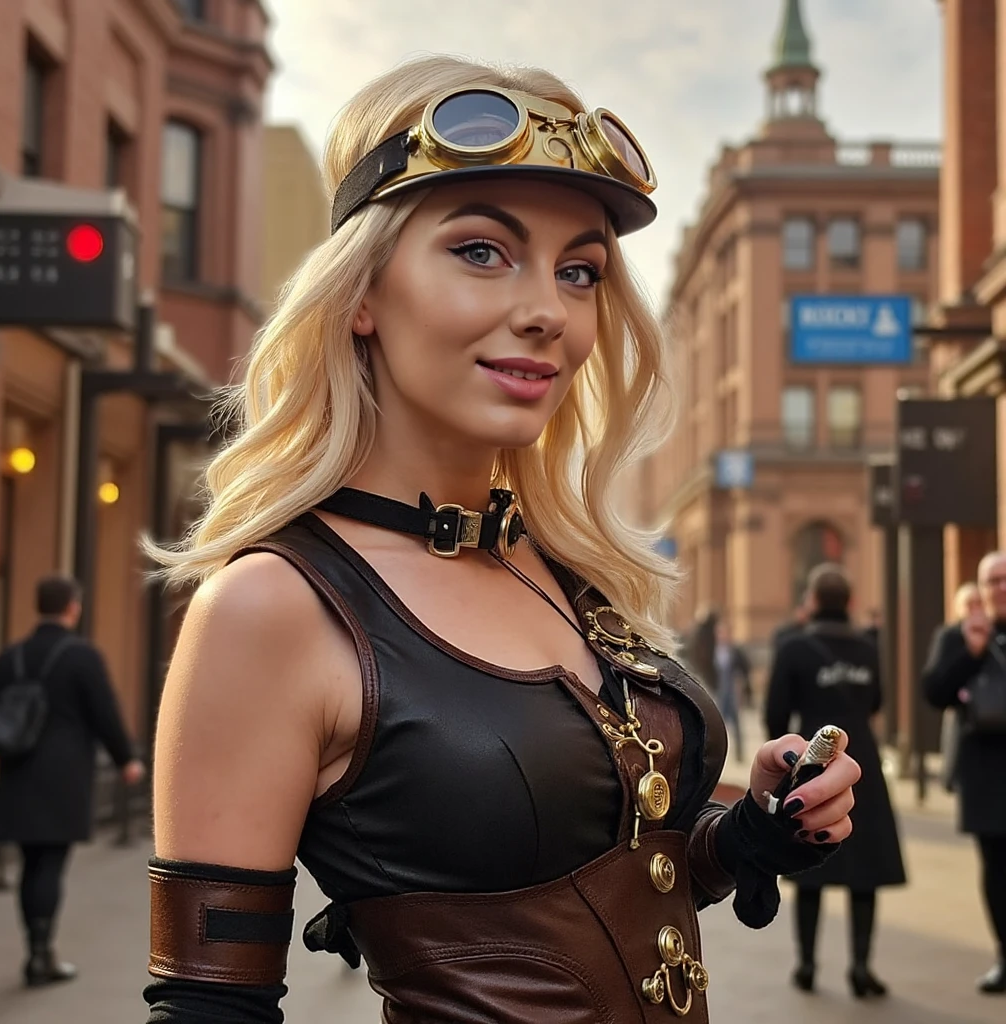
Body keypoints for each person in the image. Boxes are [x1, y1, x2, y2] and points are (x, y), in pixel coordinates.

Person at [141, 55, 862, 1024]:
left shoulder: (560, 567)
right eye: (482, 250)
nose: (549, 313)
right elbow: (204, 1008)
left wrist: (745, 838)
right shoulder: (272, 606)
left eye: (579, 271)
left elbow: (594, 877)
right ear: (362, 291)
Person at [0, 575, 144, 986]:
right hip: (62, 778)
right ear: (72, 607)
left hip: (19, 773)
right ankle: (41, 954)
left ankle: (34, 948)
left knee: (29, 864)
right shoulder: (81, 657)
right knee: (50, 865)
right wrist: (126, 759)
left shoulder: (11, 656)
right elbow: (104, 713)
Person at [765, 563, 905, 999]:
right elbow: (877, 699)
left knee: (812, 863)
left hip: (813, 764)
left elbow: (775, 716)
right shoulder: (868, 648)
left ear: (811, 601)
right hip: (862, 763)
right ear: (850, 602)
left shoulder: (793, 649)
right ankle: (862, 968)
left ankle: (806, 964)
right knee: (865, 869)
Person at [923, 552, 1006, 994]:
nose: (1000, 588)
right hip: (985, 772)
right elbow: (934, 691)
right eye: (992, 581)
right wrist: (972, 652)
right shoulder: (958, 636)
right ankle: (1004, 955)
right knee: (996, 867)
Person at [936, 582, 982, 793]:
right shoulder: (951, 636)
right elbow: (936, 685)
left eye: (978, 602)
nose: (974, 608)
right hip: (963, 714)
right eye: (968, 603)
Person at [713, 618, 751, 762]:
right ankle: (716, 755)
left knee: (737, 726)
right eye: (719, 633)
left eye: (724, 633)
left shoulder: (735, 651)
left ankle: (740, 754)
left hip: (732, 693)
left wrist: (742, 687)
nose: (722, 636)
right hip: (718, 693)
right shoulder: (713, 651)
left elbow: (745, 669)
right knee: (717, 725)